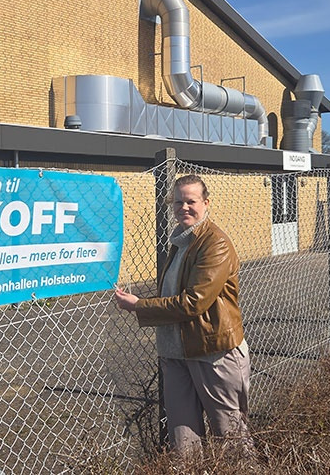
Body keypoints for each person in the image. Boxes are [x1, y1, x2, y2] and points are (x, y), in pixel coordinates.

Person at [114, 174, 250, 453]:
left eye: (191, 201)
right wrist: (139, 301)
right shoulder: (179, 242)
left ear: (206, 203)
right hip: (176, 354)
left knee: (230, 437)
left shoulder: (215, 244)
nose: (184, 208)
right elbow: (172, 296)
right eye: (178, 202)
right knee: (183, 442)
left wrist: (139, 305)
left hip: (212, 351)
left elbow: (193, 303)